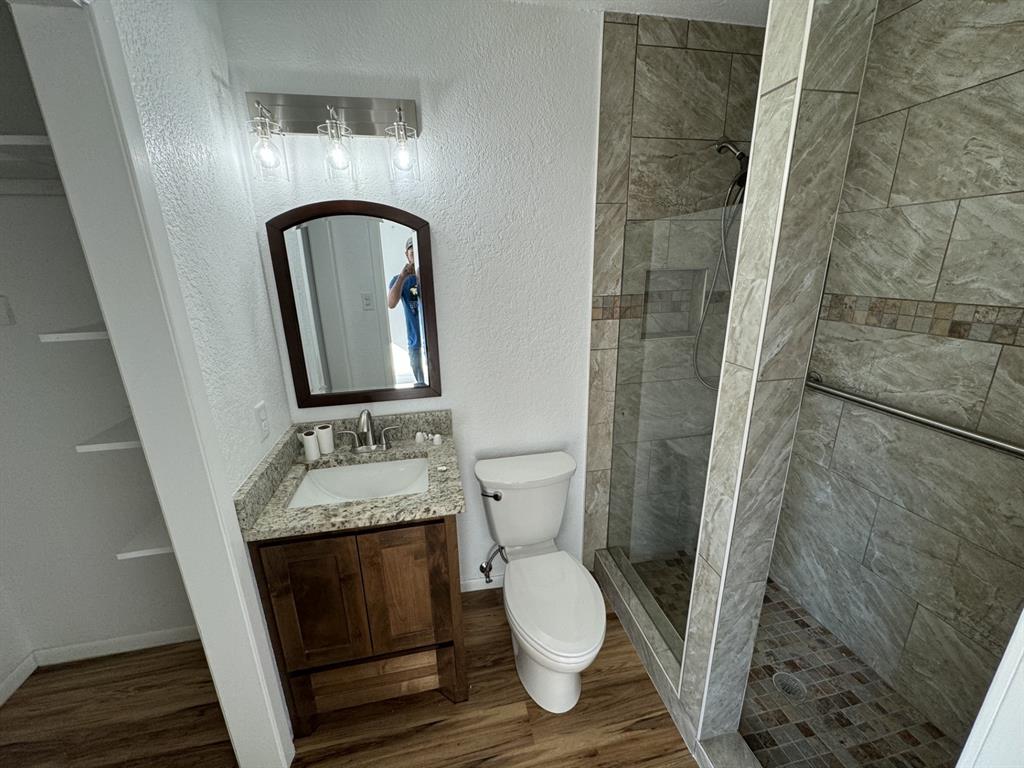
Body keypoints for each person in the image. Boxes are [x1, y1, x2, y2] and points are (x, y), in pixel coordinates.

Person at [387, 237, 425, 385]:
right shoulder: (400, 279)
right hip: (415, 344)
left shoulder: (432, 275)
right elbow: (391, 303)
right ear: (406, 254)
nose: (415, 254)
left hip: (435, 341)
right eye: (412, 251)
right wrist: (403, 276)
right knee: (424, 387)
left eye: (418, 251)